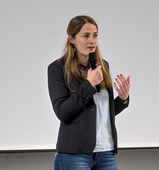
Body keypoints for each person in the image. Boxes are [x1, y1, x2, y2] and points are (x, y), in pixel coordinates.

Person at [47, 15, 130, 170]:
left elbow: (101, 111)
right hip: (74, 154)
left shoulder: (102, 65)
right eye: (86, 36)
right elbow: (62, 112)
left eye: (95, 35)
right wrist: (89, 84)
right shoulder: (57, 68)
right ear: (72, 39)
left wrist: (123, 99)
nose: (92, 40)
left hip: (106, 152)